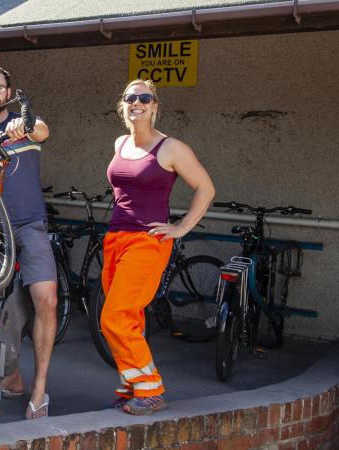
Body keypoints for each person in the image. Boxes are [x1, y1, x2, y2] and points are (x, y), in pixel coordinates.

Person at [101, 79, 214, 415]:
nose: (137, 102)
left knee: (114, 317)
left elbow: (206, 189)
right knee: (128, 317)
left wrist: (181, 227)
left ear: (155, 106)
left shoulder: (171, 148)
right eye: (130, 98)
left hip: (147, 243)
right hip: (115, 238)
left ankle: (151, 388)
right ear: (122, 105)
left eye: (144, 98)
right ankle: (131, 383)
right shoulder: (120, 142)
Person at [0, 65, 57, 419]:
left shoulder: (22, 124)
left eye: (0, 88)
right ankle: (12, 378)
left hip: (29, 223)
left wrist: (26, 124)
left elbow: (43, 130)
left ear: (9, 92)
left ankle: (39, 390)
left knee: (46, 300)